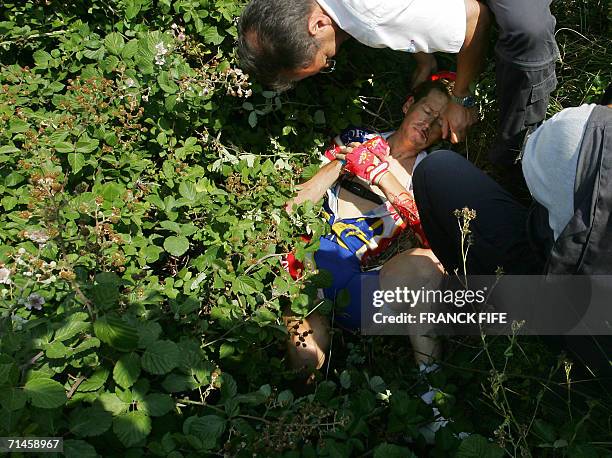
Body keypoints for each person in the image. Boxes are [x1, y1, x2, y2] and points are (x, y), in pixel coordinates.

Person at [237, 0, 559, 168]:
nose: (332, 58)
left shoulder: (371, 16)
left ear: (317, 23)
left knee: (526, 36)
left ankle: (519, 151)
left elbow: (476, 19)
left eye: (326, 58)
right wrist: (422, 54)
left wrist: (461, 99)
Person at [282, 80, 453, 372]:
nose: (429, 124)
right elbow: (292, 205)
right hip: (306, 265)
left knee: (431, 266)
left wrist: (382, 176)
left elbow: (438, 242)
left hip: (360, 284)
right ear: (408, 105)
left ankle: (433, 397)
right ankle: (301, 403)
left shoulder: (430, 178)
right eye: (427, 111)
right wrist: (344, 162)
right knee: (306, 352)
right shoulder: (358, 137)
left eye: (439, 123)